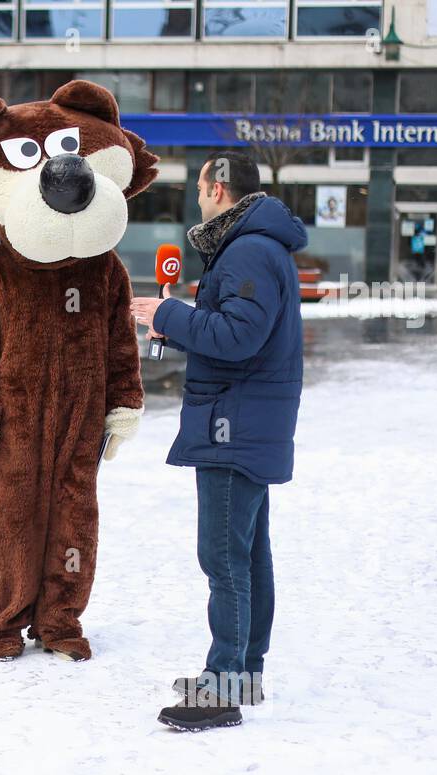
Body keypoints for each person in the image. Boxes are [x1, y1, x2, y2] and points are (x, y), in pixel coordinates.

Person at [130, 150, 307, 732]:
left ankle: (222, 685)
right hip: (246, 419)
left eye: (202, 182)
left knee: (224, 557)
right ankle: (245, 674)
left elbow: (238, 338)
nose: (198, 191)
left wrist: (170, 312)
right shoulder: (251, 245)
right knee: (249, 553)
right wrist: (176, 321)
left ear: (218, 189)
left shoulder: (250, 249)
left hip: (235, 424)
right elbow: (235, 335)